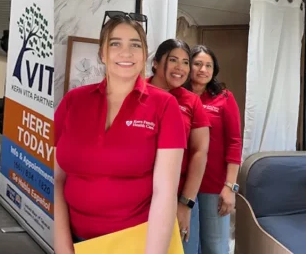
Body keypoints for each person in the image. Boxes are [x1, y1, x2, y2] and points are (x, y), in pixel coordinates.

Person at [53, 15, 184, 253]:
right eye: (115, 44)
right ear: (102, 54)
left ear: (145, 55)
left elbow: (165, 193)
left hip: (137, 241)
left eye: (135, 45)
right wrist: (63, 247)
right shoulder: (74, 101)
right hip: (78, 241)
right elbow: (58, 180)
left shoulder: (164, 106)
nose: (126, 52)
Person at [148, 39, 210, 253]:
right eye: (173, 60)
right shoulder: (136, 93)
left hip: (179, 196)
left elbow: (199, 152)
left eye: (185, 62)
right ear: (156, 63)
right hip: (139, 196)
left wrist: (186, 203)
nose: (180, 68)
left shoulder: (191, 101)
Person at [186, 45, 241, 254]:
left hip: (214, 185)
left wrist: (230, 187)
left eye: (208, 65)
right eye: (198, 64)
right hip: (182, 185)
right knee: (187, 245)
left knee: (215, 247)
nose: (203, 69)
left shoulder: (224, 98)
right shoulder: (177, 97)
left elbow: (235, 142)